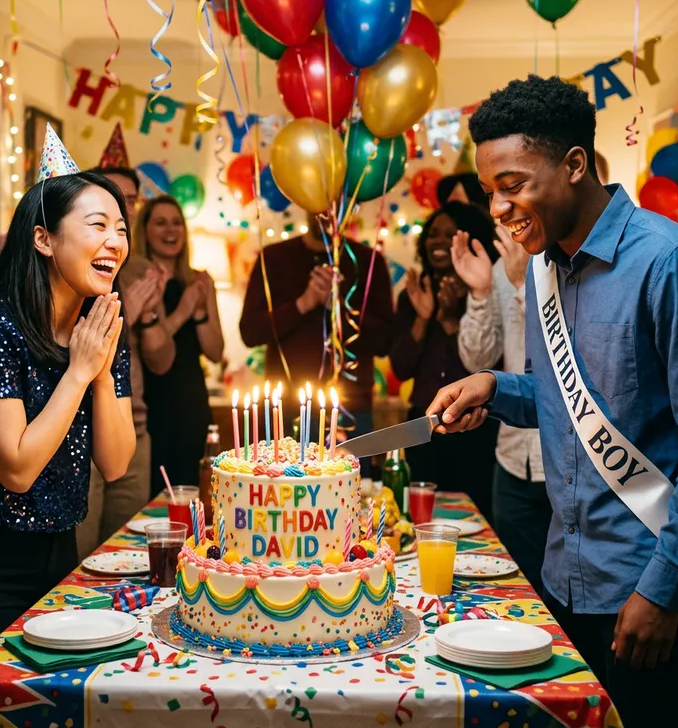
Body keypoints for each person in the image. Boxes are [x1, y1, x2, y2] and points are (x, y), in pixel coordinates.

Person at [426, 74, 678, 726]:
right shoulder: (543, 267)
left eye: (513, 185)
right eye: (491, 192)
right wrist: (498, 387)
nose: (500, 209)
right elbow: (577, 399)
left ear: (574, 164)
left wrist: (663, 590)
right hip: (566, 574)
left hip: (646, 591)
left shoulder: (664, 263)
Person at [0, 168, 136, 692]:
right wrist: (80, 371)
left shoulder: (99, 328)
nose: (114, 241)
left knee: (56, 708)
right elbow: (17, 470)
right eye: (97, 225)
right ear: (43, 238)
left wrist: (102, 368)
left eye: (120, 229)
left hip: (60, 556)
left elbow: (115, 464)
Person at [239, 214, 393, 477]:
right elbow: (250, 332)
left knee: (348, 501)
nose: (323, 208)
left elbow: (385, 341)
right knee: (280, 504)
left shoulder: (368, 261)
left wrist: (339, 306)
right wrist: (303, 304)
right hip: (283, 411)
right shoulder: (273, 258)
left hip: (349, 412)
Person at [76, 166, 175, 556]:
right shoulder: (78, 264)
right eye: (115, 196)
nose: (125, 207)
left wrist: (149, 314)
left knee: (127, 552)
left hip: (133, 422)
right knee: (82, 551)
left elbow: (162, 360)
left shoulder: (136, 267)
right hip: (79, 428)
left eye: (131, 201)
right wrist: (127, 311)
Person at [451, 217, 548, 594]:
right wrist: (479, 292)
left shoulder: (580, 268)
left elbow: (560, 361)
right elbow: (478, 358)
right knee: (515, 589)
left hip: (566, 460)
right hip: (510, 456)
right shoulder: (503, 262)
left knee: (566, 601)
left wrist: (526, 284)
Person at [390, 202, 499, 520]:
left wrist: (451, 321)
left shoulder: (482, 293)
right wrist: (423, 319)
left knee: (472, 519)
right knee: (417, 517)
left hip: (473, 426)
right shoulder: (411, 295)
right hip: (422, 426)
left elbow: (485, 366)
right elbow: (401, 367)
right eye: (433, 234)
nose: (439, 241)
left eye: (450, 234)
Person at [139, 194, 223, 497]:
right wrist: (183, 311)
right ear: (145, 230)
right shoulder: (140, 280)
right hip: (154, 402)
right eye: (160, 222)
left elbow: (215, 352)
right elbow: (152, 353)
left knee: (197, 493)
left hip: (193, 405)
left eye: (176, 223)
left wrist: (199, 311)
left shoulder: (200, 280)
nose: (170, 230)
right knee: (156, 495)